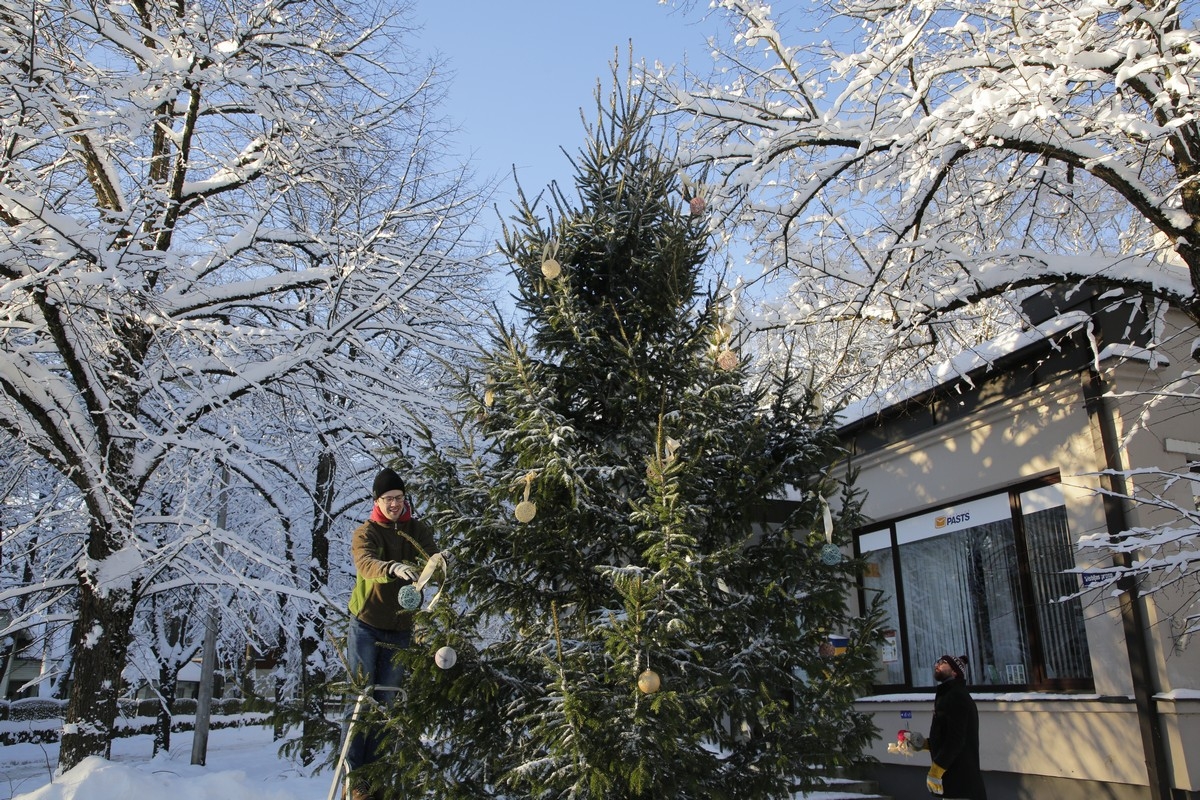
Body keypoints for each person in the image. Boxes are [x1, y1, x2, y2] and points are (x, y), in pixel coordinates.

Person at [343, 467, 437, 800]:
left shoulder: (416, 529)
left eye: (399, 498)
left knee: (387, 703)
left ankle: (378, 776)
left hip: (400, 628)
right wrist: (391, 568)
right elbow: (365, 563)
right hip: (367, 624)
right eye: (388, 499)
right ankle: (356, 779)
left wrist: (440, 563)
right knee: (362, 700)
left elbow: (432, 556)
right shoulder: (366, 532)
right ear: (377, 501)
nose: (394, 504)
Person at [927, 654, 988, 799]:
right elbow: (946, 735)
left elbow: (956, 739)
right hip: (953, 781)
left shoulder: (957, 696)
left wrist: (936, 769)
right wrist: (922, 743)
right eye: (938, 661)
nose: (937, 664)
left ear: (955, 672)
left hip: (961, 780)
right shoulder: (947, 694)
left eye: (943, 663)